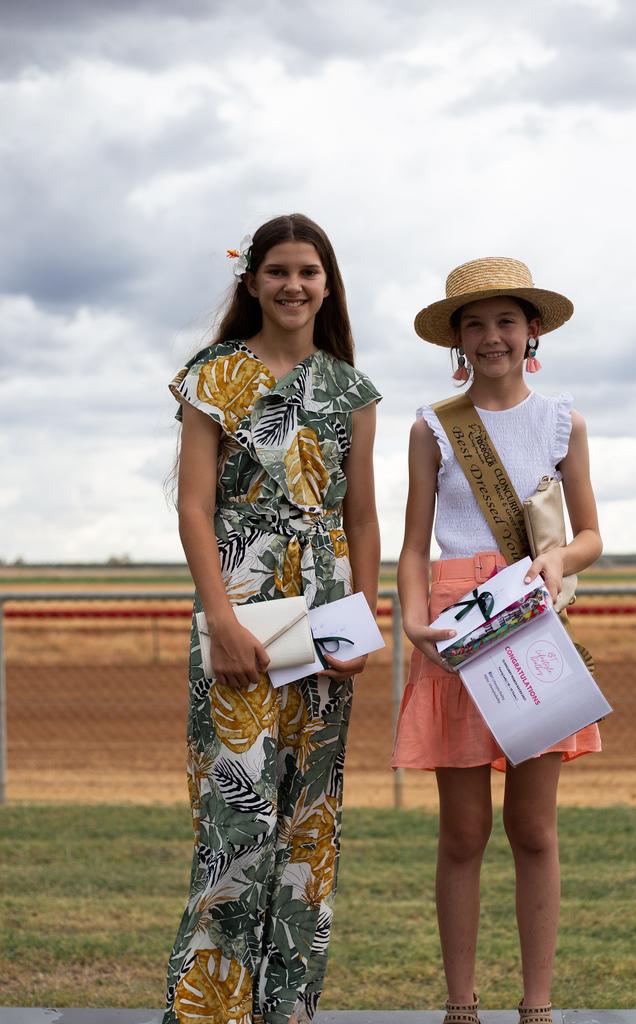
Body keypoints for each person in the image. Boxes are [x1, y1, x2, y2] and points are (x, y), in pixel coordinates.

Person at [163, 213, 381, 1024]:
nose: (295, 286)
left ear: (328, 285)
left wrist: (359, 616)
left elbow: (361, 517)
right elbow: (192, 507)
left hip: (324, 614)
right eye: (279, 271)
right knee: (238, 816)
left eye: (309, 272)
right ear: (251, 280)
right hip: (241, 603)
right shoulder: (214, 375)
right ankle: (208, 1013)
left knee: (307, 824)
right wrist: (220, 621)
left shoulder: (351, 390)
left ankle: (288, 1012)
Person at [392, 257, 602, 1024]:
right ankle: (459, 1005)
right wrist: (414, 623)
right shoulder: (431, 428)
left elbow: (591, 537)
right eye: (473, 325)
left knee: (533, 827)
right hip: (456, 624)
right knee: (463, 830)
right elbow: (414, 546)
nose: (491, 337)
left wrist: (558, 559)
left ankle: (537, 1005)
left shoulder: (562, 422)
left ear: (532, 331)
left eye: (506, 321)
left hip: (529, 619)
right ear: (456, 340)